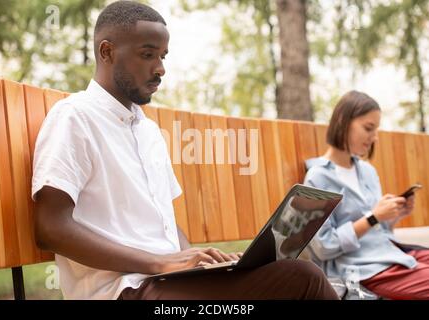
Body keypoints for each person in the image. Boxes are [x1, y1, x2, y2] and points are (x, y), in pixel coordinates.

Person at [32, 0, 338, 300]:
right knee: (303, 281)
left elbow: (166, 223)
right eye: (147, 54)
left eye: (163, 56)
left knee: (299, 274)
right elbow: (50, 228)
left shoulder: (147, 130)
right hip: (125, 290)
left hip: (167, 280)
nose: (160, 68)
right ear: (107, 51)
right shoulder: (74, 117)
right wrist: (159, 262)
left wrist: (197, 260)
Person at [304, 90, 429, 300]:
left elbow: (378, 230)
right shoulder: (318, 178)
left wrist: (394, 214)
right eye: (368, 128)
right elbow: (323, 246)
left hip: (391, 254)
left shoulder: (368, 172)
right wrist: (374, 217)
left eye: (376, 129)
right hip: (363, 267)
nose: (374, 137)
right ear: (343, 121)